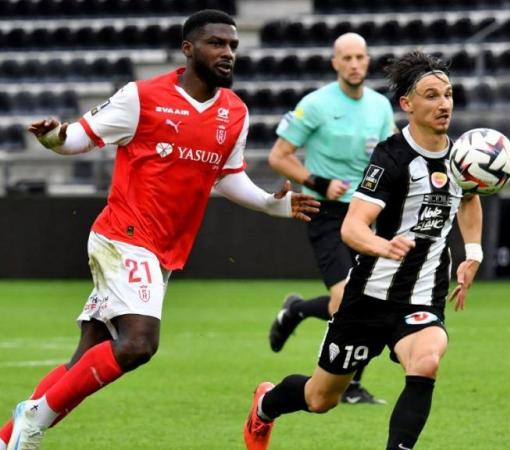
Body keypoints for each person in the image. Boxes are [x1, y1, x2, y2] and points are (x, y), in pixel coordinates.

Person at [1, 10, 319, 450]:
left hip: (162, 250)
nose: (227, 53)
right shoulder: (142, 97)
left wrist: (272, 205)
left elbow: (226, 177)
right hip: (124, 236)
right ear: (188, 49)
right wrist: (54, 137)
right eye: (216, 44)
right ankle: (35, 419)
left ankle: (9, 436)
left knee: (84, 359)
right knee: (138, 344)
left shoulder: (235, 112)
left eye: (232, 46)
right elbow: (80, 138)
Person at [243, 51, 484, 450]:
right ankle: (266, 404)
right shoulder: (390, 158)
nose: (444, 104)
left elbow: (471, 198)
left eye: (448, 94)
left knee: (426, 361)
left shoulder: (461, 157)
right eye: (431, 95)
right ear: (407, 104)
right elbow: (352, 227)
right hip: (369, 299)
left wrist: (471, 253)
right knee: (321, 399)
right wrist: (383, 245)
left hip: (422, 296)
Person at [266, 32, 395, 404]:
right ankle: (302, 318)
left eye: (360, 57)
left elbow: (388, 158)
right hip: (325, 211)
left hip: (364, 212)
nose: (355, 64)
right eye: (347, 58)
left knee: (365, 300)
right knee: (344, 300)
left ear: (368, 61)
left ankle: (300, 314)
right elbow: (279, 155)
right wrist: (318, 181)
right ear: (335, 63)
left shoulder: (380, 107)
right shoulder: (317, 104)